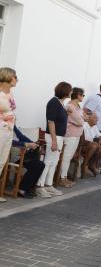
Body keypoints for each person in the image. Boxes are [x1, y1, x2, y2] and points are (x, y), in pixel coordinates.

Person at [36, 82, 72, 198]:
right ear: (65, 91)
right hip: (53, 136)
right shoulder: (53, 102)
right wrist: (54, 140)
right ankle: (40, 186)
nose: (71, 92)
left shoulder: (60, 103)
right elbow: (51, 122)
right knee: (48, 162)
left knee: (54, 162)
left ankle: (49, 184)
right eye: (70, 90)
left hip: (59, 137)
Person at [59, 87, 86, 188]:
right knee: (66, 157)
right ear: (78, 95)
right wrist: (82, 120)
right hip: (70, 135)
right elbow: (80, 121)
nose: (83, 97)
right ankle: (62, 178)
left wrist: (83, 119)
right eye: (82, 95)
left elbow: (85, 117)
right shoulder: (70, 106)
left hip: (76, 135)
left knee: (69, 157)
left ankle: (64, 177)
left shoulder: (78, 106)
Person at [12, 126, 45, 199]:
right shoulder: (3, 127)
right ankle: (22, 189)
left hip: (22, 154)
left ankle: (27, 189)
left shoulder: (12, 125)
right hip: (10, 154)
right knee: (37, 165)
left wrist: (32, 143)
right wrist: (25, 144)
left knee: (41, 164)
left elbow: (21, 136)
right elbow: (8, 141)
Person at [0, 68, 17, 203]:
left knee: (2, 162)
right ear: (8, 77)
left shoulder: (10, 93)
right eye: (15, 77)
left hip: (8, 131)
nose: (17, 79)